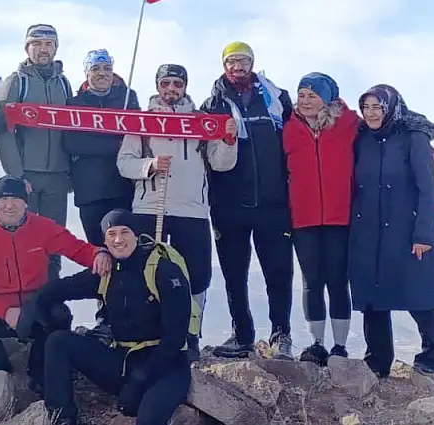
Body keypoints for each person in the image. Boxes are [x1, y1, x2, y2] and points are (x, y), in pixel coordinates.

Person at [117, 63, 236, 356]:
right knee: (143, 271)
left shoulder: (201, 122)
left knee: (196, 276)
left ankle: (190, 333)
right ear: (158, 86)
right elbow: (124, 163)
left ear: (185, 87)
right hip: (149, 206)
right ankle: (145, 332)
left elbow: (221, 163)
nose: (172, 89)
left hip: (191, 210)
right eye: (166, 83)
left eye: (177, 84)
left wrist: (228, 140)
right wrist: (149, 166)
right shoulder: (141, 122)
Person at [36, 209, 193, 425]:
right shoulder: (107, 271)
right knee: (58, 342)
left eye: (125, 232)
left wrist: (138, 382)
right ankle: (62, 418)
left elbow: (174, 339)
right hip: (123, 362)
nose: (118, 240)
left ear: (136, 235)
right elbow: (53, 291)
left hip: (166, 367)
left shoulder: (163, 271)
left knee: (148, 420)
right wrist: (49, 321)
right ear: (104, 240)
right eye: (111, 234)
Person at [0, 176, 109, 378]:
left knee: (60, 315)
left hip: (34, 306)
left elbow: (76, 249)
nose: (9, 206)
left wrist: (98, 253)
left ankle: (39, 370)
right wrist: (4, 311)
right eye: (3, 200)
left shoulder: (43, 227)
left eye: (16, 199)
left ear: (26, 202)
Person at [201, 42, 295, 358]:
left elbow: (296, 142)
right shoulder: (211, 104)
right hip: (229, 205)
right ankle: (241, 335)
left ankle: (281, 335)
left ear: (253, 63)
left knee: (279, 273)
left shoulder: (276, 98)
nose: (237, 66)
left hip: (273, 203)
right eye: (231, 61)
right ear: (224, 65)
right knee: (234, 276)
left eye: (243, 60)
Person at [351, 84, 434, 377]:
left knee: (417, 292)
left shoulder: (413, 137)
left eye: (377, 107)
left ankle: (432, 357)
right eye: (366, 107)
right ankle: (377, 360)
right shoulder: (362, 139)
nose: (370, 114)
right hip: (368, 228)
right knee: (373, 294)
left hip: (404, 229)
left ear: (391, 107)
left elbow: (427, 190)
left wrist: (423, 235)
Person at [283, 72, 358, 365]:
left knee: (338, 281)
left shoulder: (349, 125)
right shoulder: (288, 128)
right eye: (301, 95)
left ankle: (340, 346)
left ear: (327, 99)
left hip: (341, 217)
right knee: (312, 282)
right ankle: (317, 344)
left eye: (312, 96)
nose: (305, 101)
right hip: (304, 219)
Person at [0, 24, 73, 275]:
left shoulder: (65, 83)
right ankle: (26, 305)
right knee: (25, 242)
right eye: (36, 44)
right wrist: (17, 176)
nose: (43, 49)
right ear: (27, 48)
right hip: (27, 174)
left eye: (49, 44)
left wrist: (70, 171)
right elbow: (4, 131)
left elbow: (72, 128)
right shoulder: (17, 82)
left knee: (54, 241)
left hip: (58, 176)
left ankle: (51, 303)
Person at [62, 49, 139, 246]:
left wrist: (95, 140)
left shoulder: (127, 99)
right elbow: (72, 143)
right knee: (99, 253)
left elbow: (136, 135)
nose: (102, 73)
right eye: (95, 68)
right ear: (87, 73)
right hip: (90, 192)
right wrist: (116, 144)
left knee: (126, 250)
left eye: (107, 68)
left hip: (123, 188)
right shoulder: (74, 103)